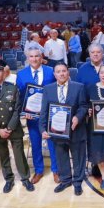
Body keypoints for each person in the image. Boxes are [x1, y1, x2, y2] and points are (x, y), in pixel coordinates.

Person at [39, 62, 87, 195]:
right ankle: (65, 180)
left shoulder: (79, 87)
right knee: (61, 157)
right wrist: (42, 129)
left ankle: (78, 182)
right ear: (54, 74)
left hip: (76, 129)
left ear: (68, 72)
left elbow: (84, 106)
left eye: (64, 71)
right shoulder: (48, 89)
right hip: (57, 131)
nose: (61, 73)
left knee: (78, 157)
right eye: (58, 71)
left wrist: (77, 117)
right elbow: (44, 111)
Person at [0, 59, 34, 194]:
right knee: (3, 156)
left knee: (19, 154)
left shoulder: (12, 87)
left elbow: (17, 109)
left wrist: (9, 128)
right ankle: (9, 179)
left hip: (13, 128)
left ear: (4, 72)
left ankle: (25, 178)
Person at [16, 47, 58, 184]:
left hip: (50, 115)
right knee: (35, 144)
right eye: (31, 56)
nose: (34, 59)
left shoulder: (51, 71)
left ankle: (56, 170)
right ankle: (39, 171)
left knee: (53, 143)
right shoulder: (21, 74)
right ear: (28, 58)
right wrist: (24, 112)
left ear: (41, 57)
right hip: (32, 116)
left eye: (37, 56)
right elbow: (21, 96)